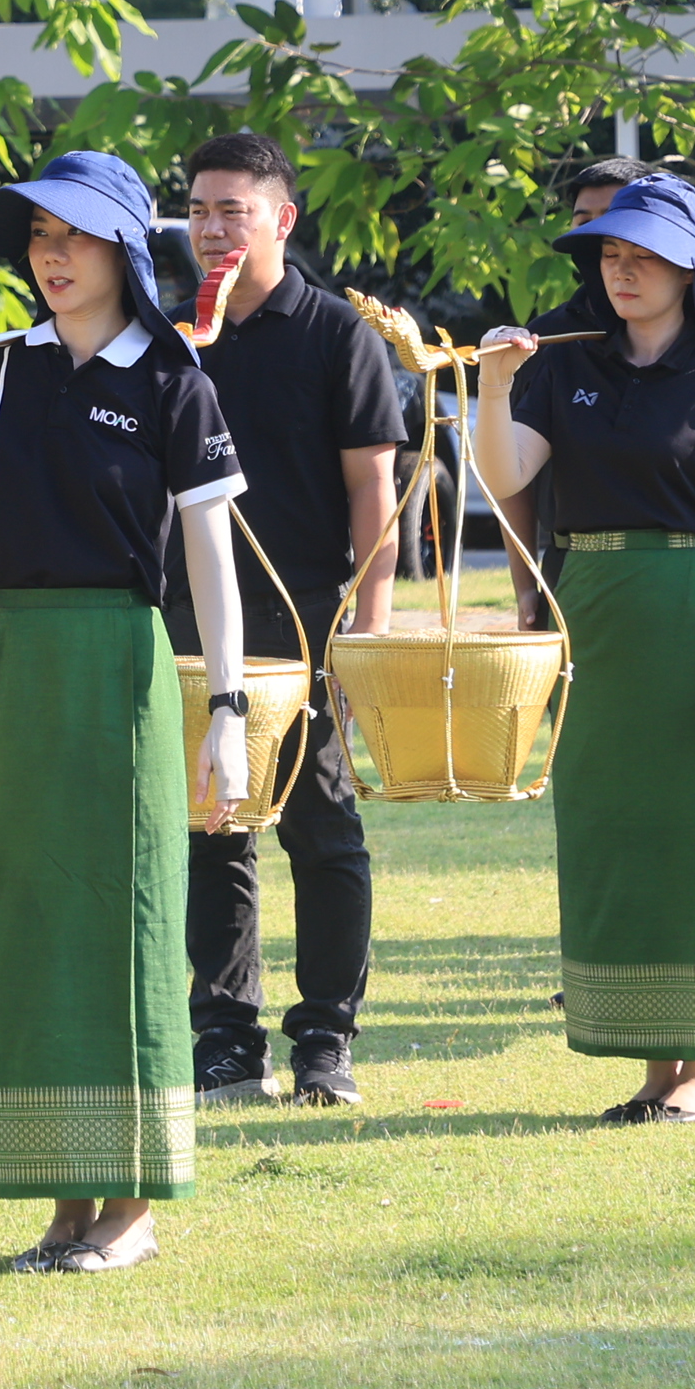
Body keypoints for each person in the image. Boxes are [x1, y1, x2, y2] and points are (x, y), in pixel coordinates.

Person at [0, 150, 251, 1273]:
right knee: (25, 921)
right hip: (12, 664)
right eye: (37, 235)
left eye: (74, 236)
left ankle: (129, 1208)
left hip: (126, 668)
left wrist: (225, 706)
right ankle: (59, 1199)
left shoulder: (176, 380)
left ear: (125, 248)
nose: (50, 254)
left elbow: (213, 564)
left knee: (124, 919)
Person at [469, 176, 695, 1123]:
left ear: (688, 268)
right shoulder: (564, 369)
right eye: (610, 254)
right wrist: (491, 386)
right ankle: (654, 1066)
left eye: (642, 255)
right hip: (591, 619)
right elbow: (507, 474)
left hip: (689, 615)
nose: (622, 270)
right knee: (613, 835)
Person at [169, 134, 402, 1109]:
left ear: (282, 219)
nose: (215, 228)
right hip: (191, 617)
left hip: (310, 618)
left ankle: (326, 1040)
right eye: (200, 211)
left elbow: (375, 494)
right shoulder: (171, 333)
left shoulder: (336, 333)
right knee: (212, 830)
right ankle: (226, 1038)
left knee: (322, 828)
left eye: (235, 209)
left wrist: (365, 638)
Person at [506, 156, 643, 635]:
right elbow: (513, 479)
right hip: (572, 571)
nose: (599, 240)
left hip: (687, 571)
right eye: (583, 224)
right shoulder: (544, 342)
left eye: (612, 221)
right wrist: (525, 584)